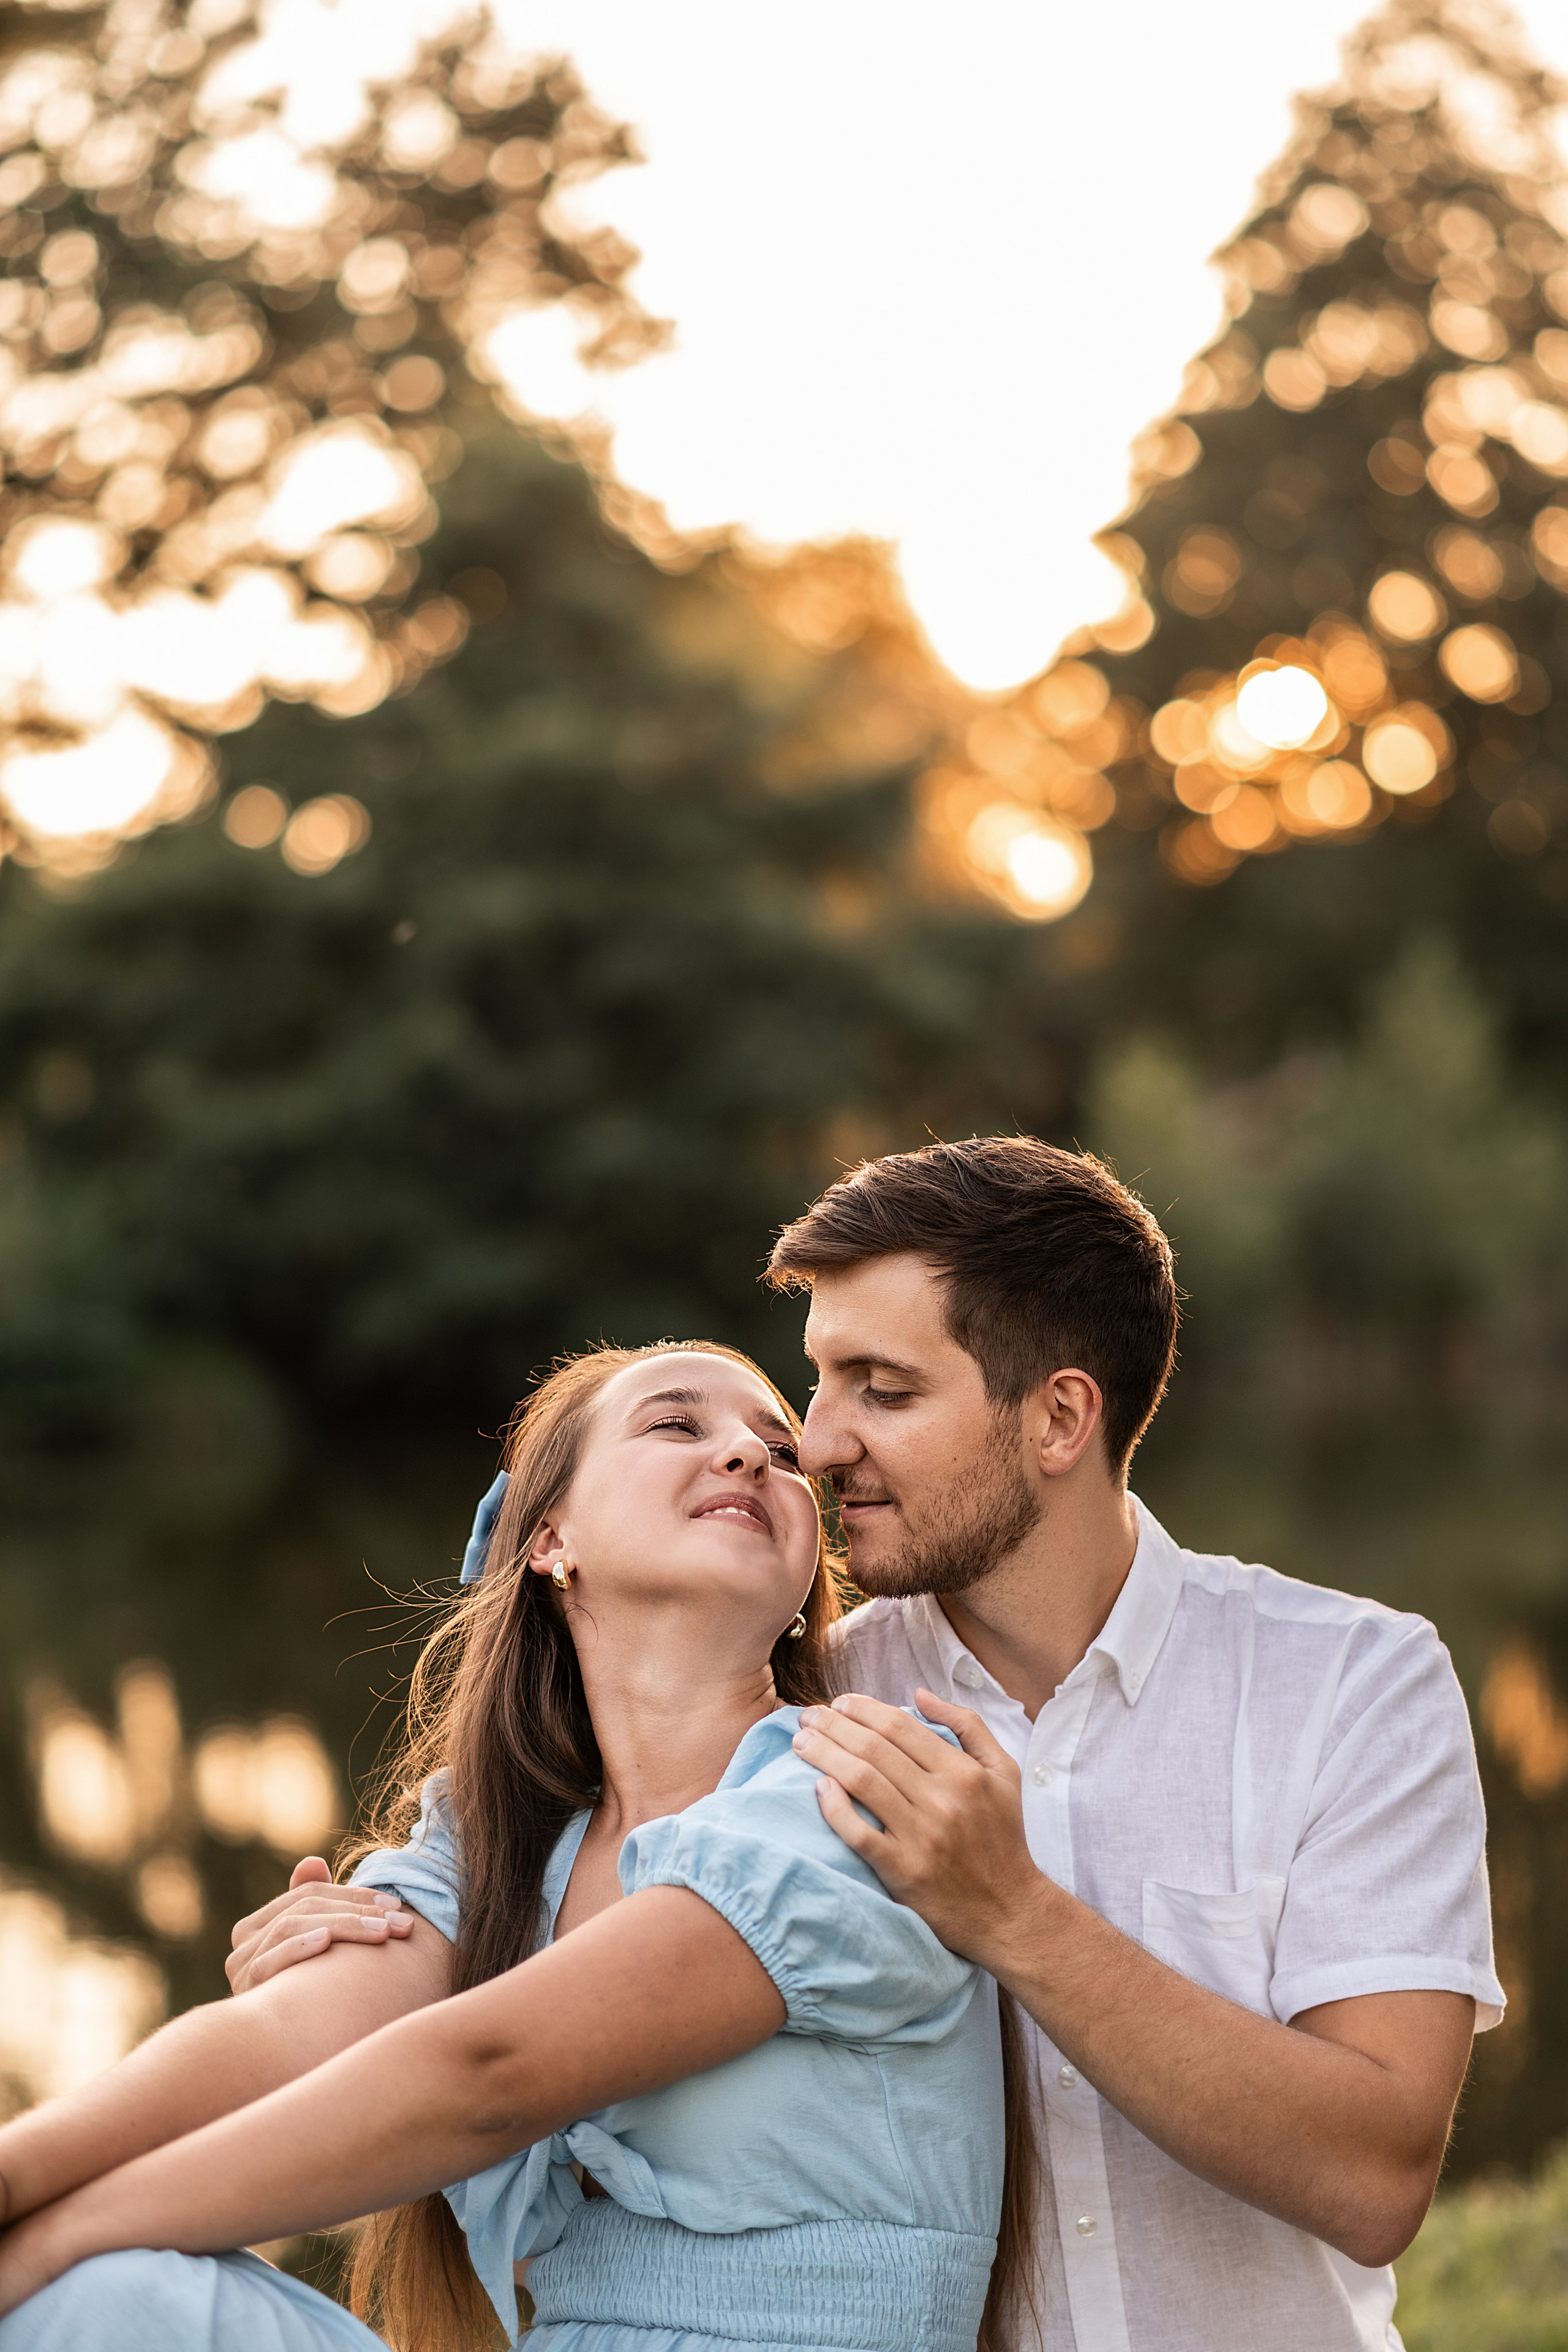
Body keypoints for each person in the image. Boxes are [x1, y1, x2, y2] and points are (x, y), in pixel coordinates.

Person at [222, 1136, 1503, 2352]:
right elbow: (558, 1931)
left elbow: (1373, 2172)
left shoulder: (1347, 1682)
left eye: (879, 1390)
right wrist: (366, 1966)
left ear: (1058, 1421)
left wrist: (1014, 1915)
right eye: (818, 1383)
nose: (817, 1442)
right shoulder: (789, 1702)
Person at [0, 1341, 1027, 2352]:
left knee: (89, 2278)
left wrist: (60, 2235)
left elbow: (489, 2077)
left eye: (782, 1450)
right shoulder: (493, 1845)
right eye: (678, 1424)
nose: (750, 1456)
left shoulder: (866, 1788)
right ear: (549, 1540)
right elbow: (274, 2045)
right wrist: (20, 2180)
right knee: (120, 2299)